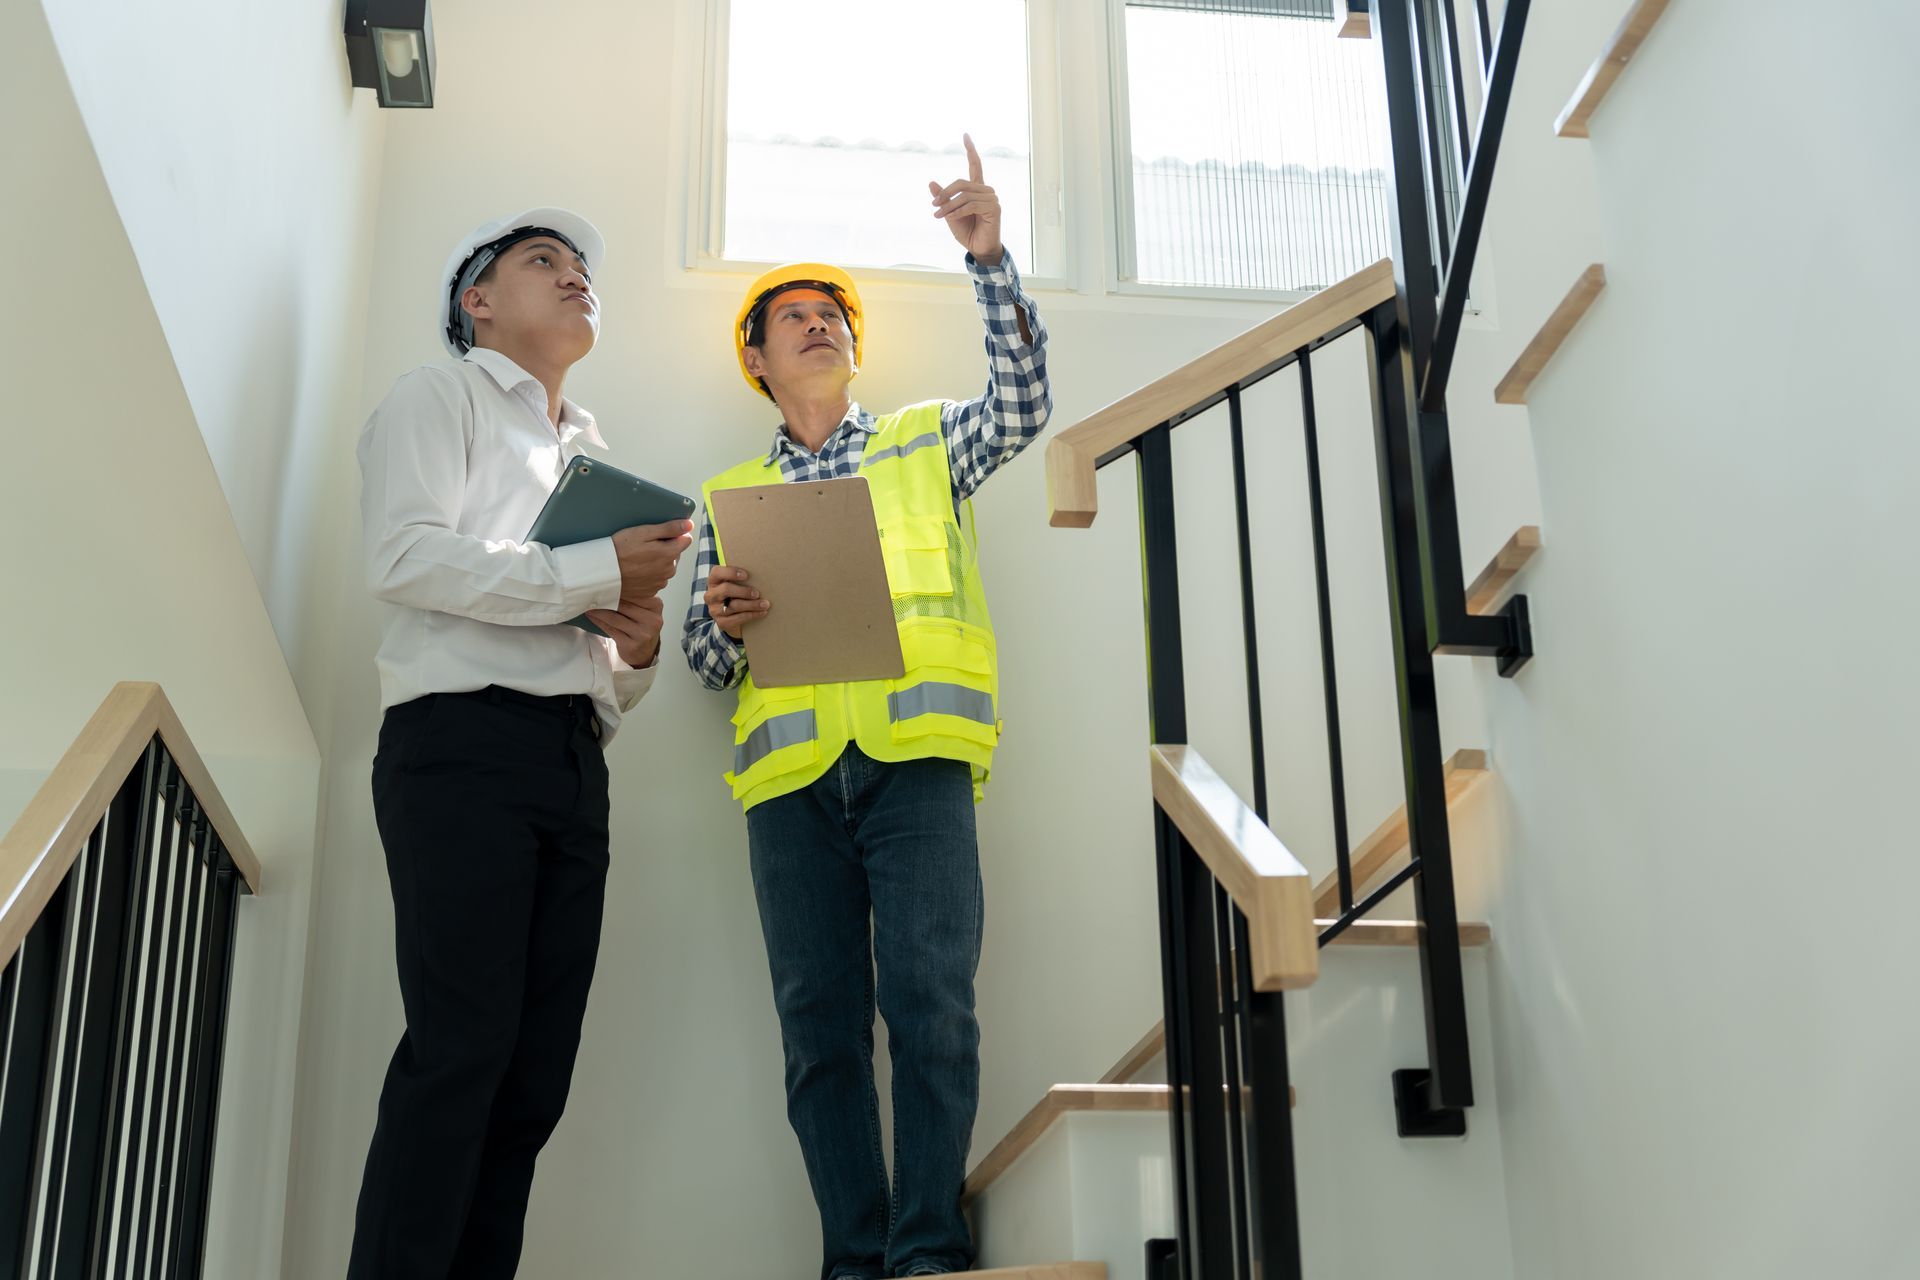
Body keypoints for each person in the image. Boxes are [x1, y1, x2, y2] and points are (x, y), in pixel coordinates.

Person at [681, 137, 1052, 1279]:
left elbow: (1023, 404)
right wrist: (725, 617)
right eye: (792, 318)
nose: (818, 325)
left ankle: (926, 1249)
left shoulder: (926, 439)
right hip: (791, 789)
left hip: (917, 765)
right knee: (819, 1033)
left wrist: (989, 262)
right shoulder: (729, 496)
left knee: (933, 1006)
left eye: (831, 315)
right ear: (757, 357)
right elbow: (701, 661)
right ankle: (853, 1258)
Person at [350, 208, 692, 1278]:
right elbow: (403, 556)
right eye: (544, 260)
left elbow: (596, 664)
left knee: (532, 1082)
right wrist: (593, 572)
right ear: (479, 301)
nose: (576, 276)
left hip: (569, 761)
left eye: (583, 267)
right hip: (458, 744)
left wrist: (635, 648)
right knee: (459, 1054)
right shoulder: (437, 393)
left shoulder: (591, 457)